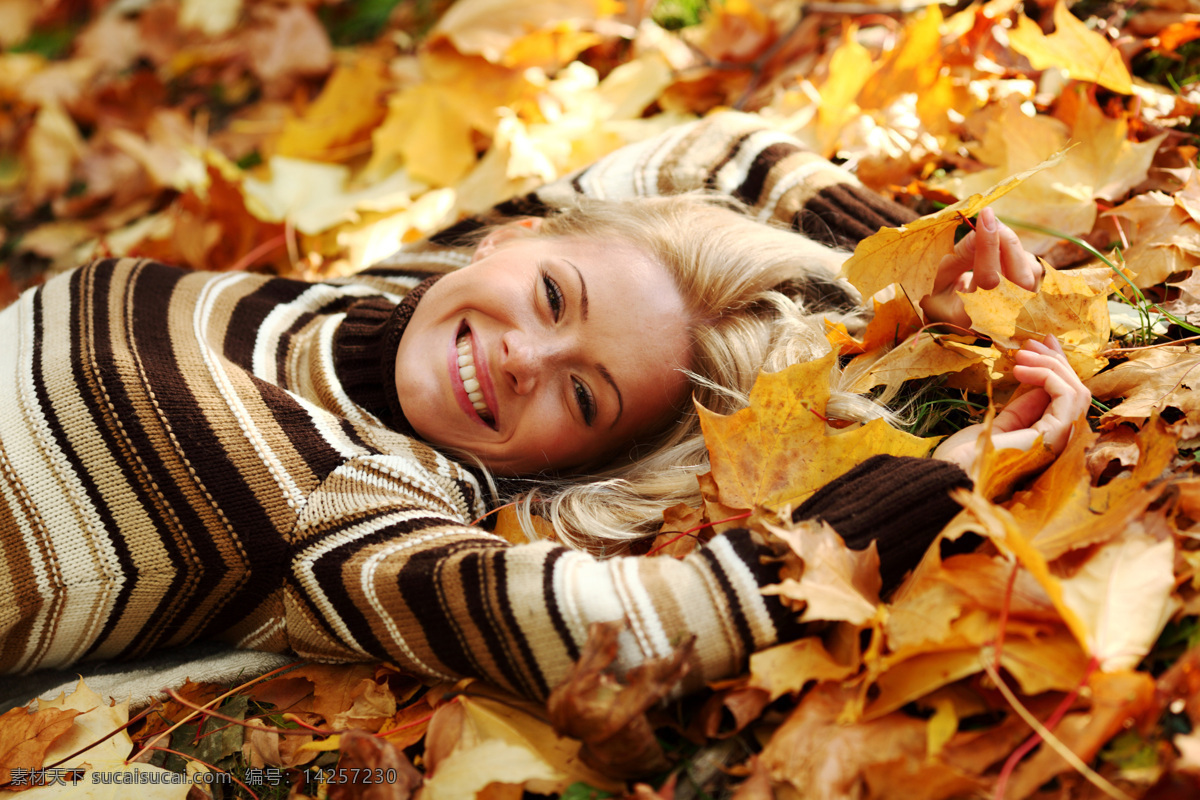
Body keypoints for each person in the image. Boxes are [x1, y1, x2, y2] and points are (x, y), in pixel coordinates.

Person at [0, 112, 1088, 702]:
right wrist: (904, 262)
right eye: (554, 296)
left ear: (578, 459)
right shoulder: (398, 291)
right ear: (511, 237)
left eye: (583, 392)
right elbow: (714, 149)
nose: (524, 356)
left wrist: (952, 468)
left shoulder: (361, 495)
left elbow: (632, 625)